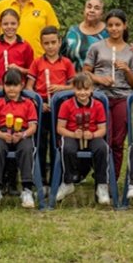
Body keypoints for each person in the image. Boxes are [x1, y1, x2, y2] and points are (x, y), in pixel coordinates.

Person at [83, 9, 133, 180]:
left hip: (122, 97)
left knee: (117, 140)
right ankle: (100, 175)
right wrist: (100, 79)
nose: (114, 29)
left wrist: (127, 69)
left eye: (118, 25)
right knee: (102, 137)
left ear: (124, 26)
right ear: (106, 27)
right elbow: (85, 72)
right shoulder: (96, 47)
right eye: (110, 25)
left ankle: (112, 178)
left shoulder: (132, 51)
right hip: (101, 97)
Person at [26, 26, 75, 186]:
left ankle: (58, 178)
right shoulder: (37, 63)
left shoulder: (66, 63)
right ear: (41, 44)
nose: (50, 46)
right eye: (46, 43)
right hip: (42, 107)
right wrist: (38, 104)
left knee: (58, 143)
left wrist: (61, 88)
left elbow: (74, 87)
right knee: (40, 143)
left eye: (54, 42)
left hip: (60, 107)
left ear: (60, 42)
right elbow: (28, 88)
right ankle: (40, 180)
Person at [54, 73, 111, 205]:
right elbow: (60, 128)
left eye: (86, 89)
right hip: (71, 134)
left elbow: (102, 130)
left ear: (91, 89)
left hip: (91, 135)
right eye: (79, 89)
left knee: (102, 148)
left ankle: (102, 185)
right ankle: (68, 182)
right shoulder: (66, 105)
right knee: (67, 148)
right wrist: (73, 134)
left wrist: (92, 135)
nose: (82, 93)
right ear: (73, 89)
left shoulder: (97, 105)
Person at [0, 69, 39, 208]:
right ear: (3, 85)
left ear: (21, 86)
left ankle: (27, 189)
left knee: (27, 149)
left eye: (15, 85)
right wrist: (2, 135)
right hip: (1, 133)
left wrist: (23, 135)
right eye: (8, 85)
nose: (11, 89)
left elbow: (33, 126)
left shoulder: (28, 103)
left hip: (22, 133)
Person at [0, 9, 34, 88]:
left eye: (13, 23)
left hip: (19, 88)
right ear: (0, 25)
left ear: (18, 24)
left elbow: (32, 71)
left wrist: (19, 69)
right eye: (5, 24)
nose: (9, 27)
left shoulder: (26, 46)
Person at [61, 0, 108, 71]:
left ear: (102, 13)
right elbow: (61, 58)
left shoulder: (108, 33)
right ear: (84, 10)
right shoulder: (72, 32)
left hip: (102, 79)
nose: (92, 10)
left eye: (96, 8)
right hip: (74, 80)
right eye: (89, 7)